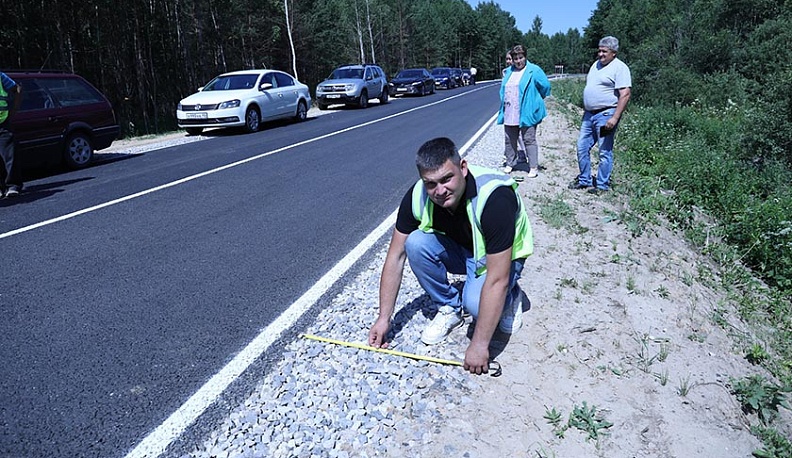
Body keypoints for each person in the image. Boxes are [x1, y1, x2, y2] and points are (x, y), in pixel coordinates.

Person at [368, 137, 533, 375]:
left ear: (463, 168)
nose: (440, 191)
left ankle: (513, 296)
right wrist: (384, 318)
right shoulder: (417, 196)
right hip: (467, 251)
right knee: (414, 242)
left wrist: (479, 345)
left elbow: (497, 279)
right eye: (431, 183)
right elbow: (395, 257)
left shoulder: (494, 198)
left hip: (503, 258)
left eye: (447, 179)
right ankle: (448, 308)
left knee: (476, 306)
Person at [569, 36, 632, 193]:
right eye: (599, 50)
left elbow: (625, 94)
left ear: (614, 53)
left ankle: (602, 185)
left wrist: (615, 117)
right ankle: (585, 180)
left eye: (604, 51)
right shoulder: (596, 65)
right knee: (582, 146)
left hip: (606, 115)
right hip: (589, 115)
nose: (601, 54)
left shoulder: (620, 68)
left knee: (604, 150)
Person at [498, 45, 551, 178]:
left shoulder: (534, 70)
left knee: (529, 139)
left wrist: (535, 100)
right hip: (510, 110)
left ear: (525, 57)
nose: (518, 61)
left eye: (521, 57)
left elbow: (545, 86)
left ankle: (533, 166)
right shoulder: (509, 71)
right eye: (515, 58)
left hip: (527, 110)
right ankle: (510, 163)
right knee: (509, 139)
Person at [0, 71, 22, 198]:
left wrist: (14, 110)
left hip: (2, 122)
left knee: (8, 155)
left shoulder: (0, 76)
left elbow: (17, 89)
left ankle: (13, 185)